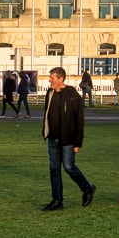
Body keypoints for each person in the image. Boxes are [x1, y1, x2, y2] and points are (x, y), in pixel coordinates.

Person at [41, 66, 95, 211]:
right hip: (53, 138)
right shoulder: (50, 93)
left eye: (52, 78)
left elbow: (79, 120)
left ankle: (88, 188)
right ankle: (57, 200)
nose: (49, 80)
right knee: (54, 169)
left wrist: (78, 142)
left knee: (69, 166)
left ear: (60, 79)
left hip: (68, 139)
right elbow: (47, 113)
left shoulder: (72, 94)